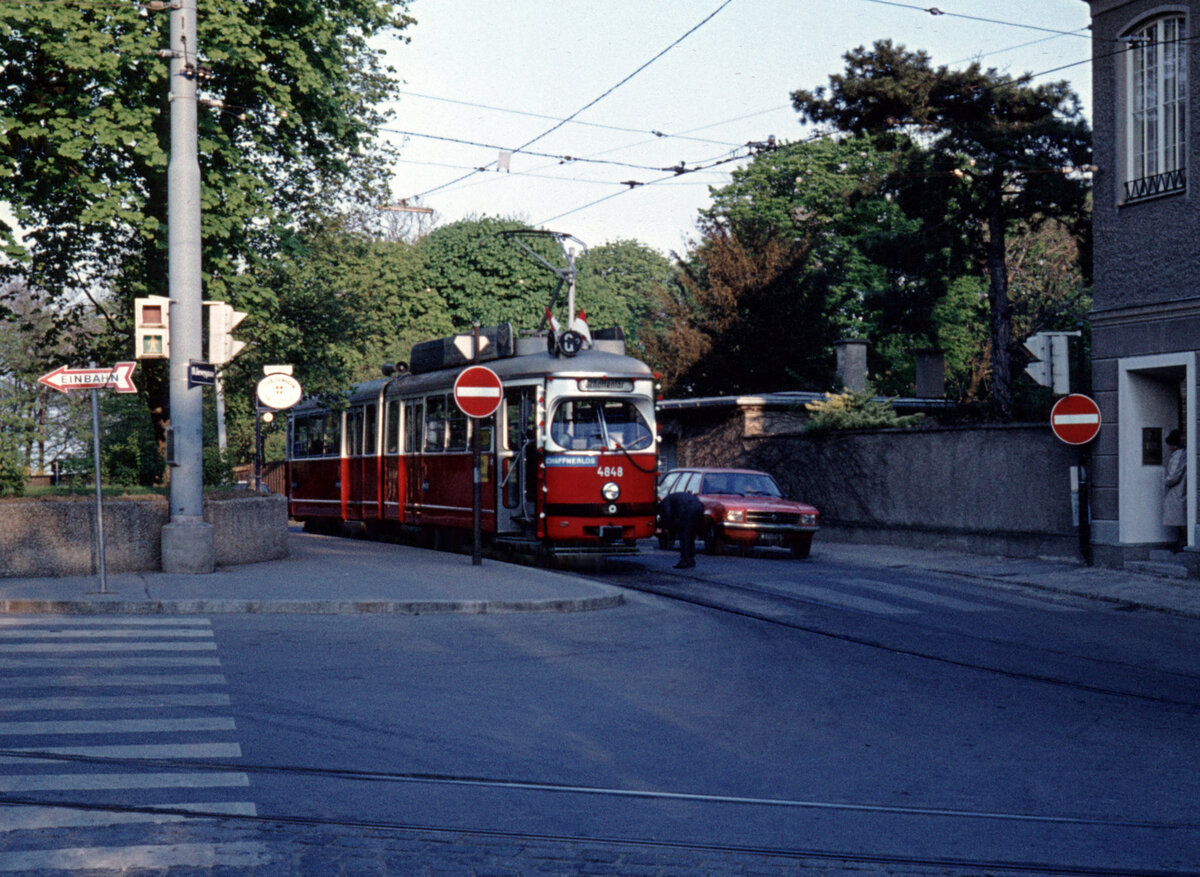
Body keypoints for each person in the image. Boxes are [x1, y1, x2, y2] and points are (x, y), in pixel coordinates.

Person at [660, 491, 704, 569]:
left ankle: (684, 560)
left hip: (688, 509)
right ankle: (691, 559)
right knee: (691, 535)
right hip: (699, 506)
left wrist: (664, 527)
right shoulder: (673, 497)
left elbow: (667, 514)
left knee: (684, 536)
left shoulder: (665, 502)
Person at [1163, 429, 1187, 552]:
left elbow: (1173, 475)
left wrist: (1166, 481)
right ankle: (1181, 541)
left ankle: (1181, 543)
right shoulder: (1183, 454)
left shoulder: (1178, 456)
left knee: (1179, 518)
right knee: (1180, 517)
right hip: (1181, 489)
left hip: (1177, 491)